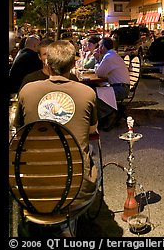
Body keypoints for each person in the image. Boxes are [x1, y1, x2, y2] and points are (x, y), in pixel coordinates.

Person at [13, 40, 98, 236]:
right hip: (76, 188)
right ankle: (67, 227)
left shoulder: (28, 90)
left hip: (30, 187)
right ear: (73, 64)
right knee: (92, 156)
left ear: (47, 63)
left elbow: (19, 128)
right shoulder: (87, 93)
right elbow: (93, 129)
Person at [94, 37, 130, 130]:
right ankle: (107, 115)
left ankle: (110, 113)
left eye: (99, 46)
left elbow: (99, 73)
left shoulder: (109, 57)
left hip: (120, 89)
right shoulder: (112, 55)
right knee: (95, 91)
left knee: (93, 94)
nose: (98, 48)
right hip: (120, 86)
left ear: (103, 46)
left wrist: (97, 59)